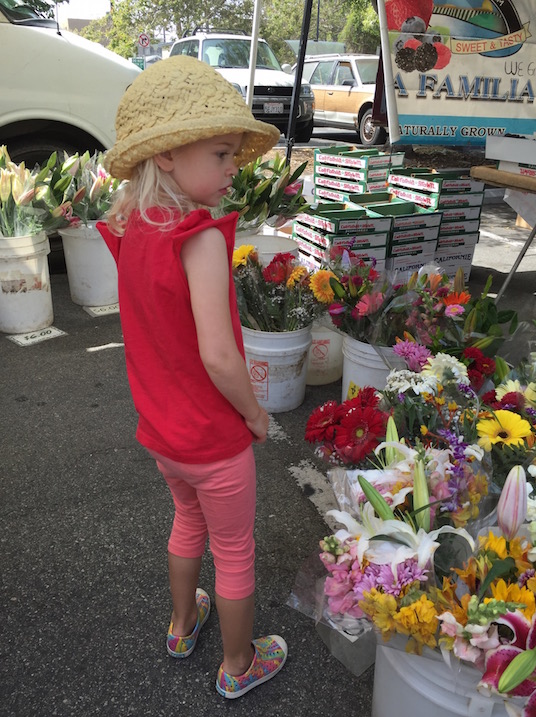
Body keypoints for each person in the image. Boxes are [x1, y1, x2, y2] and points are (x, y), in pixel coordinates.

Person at [97, 55, 287, 699]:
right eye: (222, 153)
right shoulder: (199, 236)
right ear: (169, 155)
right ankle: (239, 664)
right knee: (233, 550)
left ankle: (181, 626)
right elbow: (219, 356)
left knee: (186, 522)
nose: (234, 167)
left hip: (162, 433)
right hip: (212, 437)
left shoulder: (133, 228)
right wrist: (255, 415)